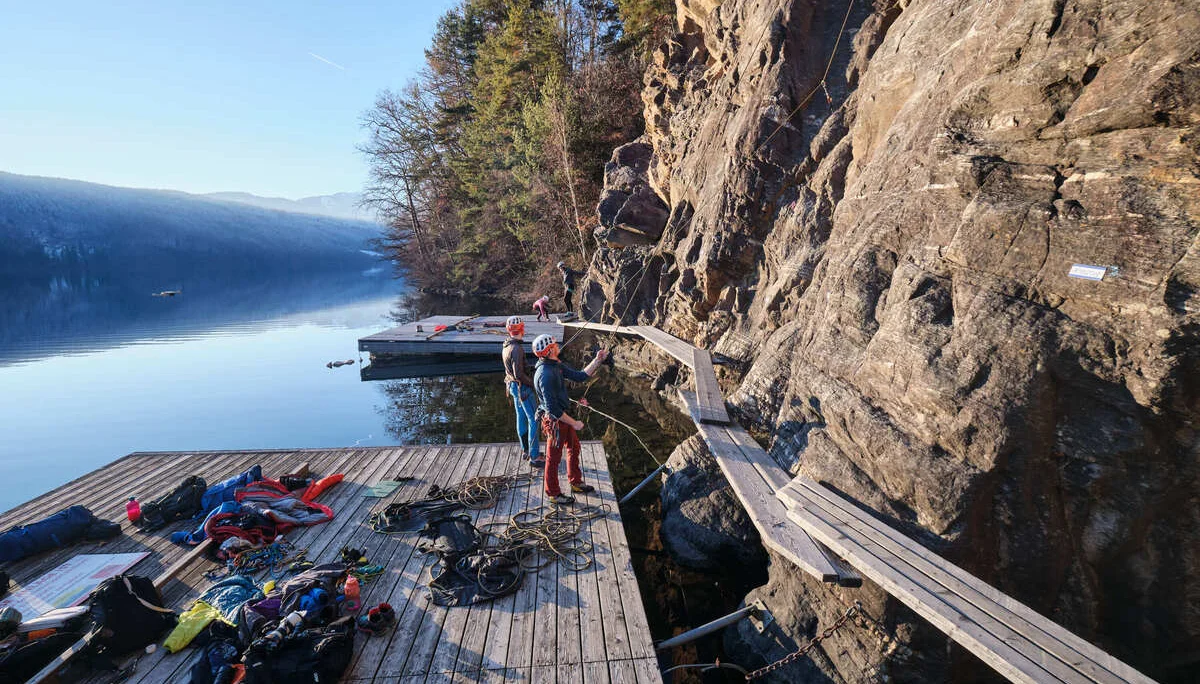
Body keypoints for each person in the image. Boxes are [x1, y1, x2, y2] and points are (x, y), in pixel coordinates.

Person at [531, 334, 608, 505]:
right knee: (553, 459)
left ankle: (575, 483)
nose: (557, 346)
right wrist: (575, 423)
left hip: (563, 419)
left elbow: (579, 376)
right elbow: (553, 410)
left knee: (574, 447)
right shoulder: (545, 375)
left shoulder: (554, 365)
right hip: (556, 422)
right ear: (549, 350)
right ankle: (553, 493)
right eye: (554, 345)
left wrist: (597, 361)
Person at [502, 316, 542, 468]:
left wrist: (530, 368)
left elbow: (515, 370)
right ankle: (534, 456)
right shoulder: (517, 349)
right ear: (522, 329)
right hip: (522, 389)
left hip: (512, 386)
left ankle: (526, 449)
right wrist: (534, 384)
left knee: (521, 417)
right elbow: (519, 374)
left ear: (509, 330)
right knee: (533, 419)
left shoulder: (506, 345)